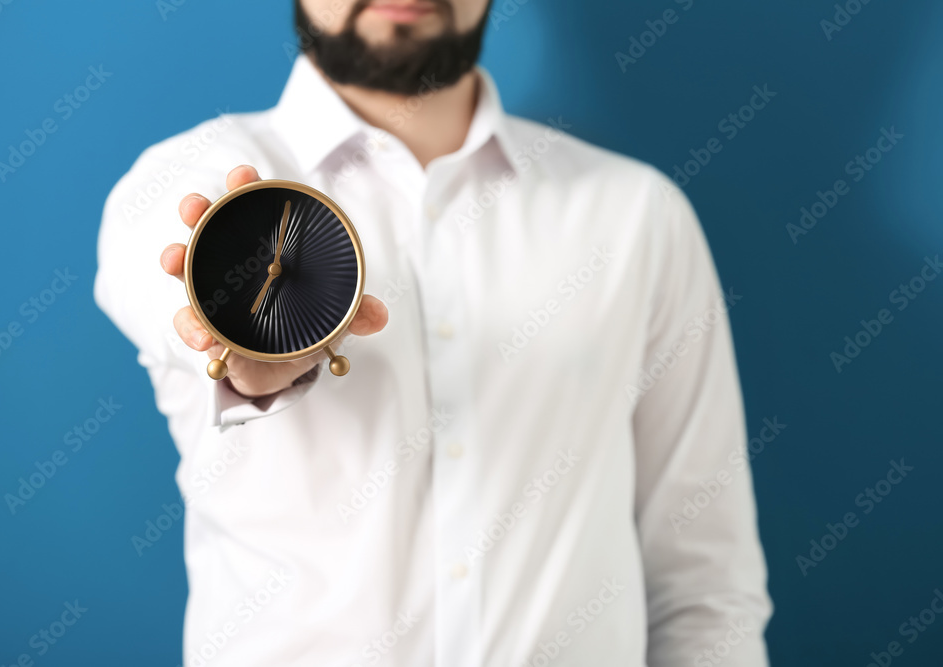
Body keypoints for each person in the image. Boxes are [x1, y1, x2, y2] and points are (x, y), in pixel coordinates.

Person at [94, 0, 773, 664]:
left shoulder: (637, 216)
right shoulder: (173, 185)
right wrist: (246, 354)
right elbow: (167, 294)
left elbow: (706, 586)